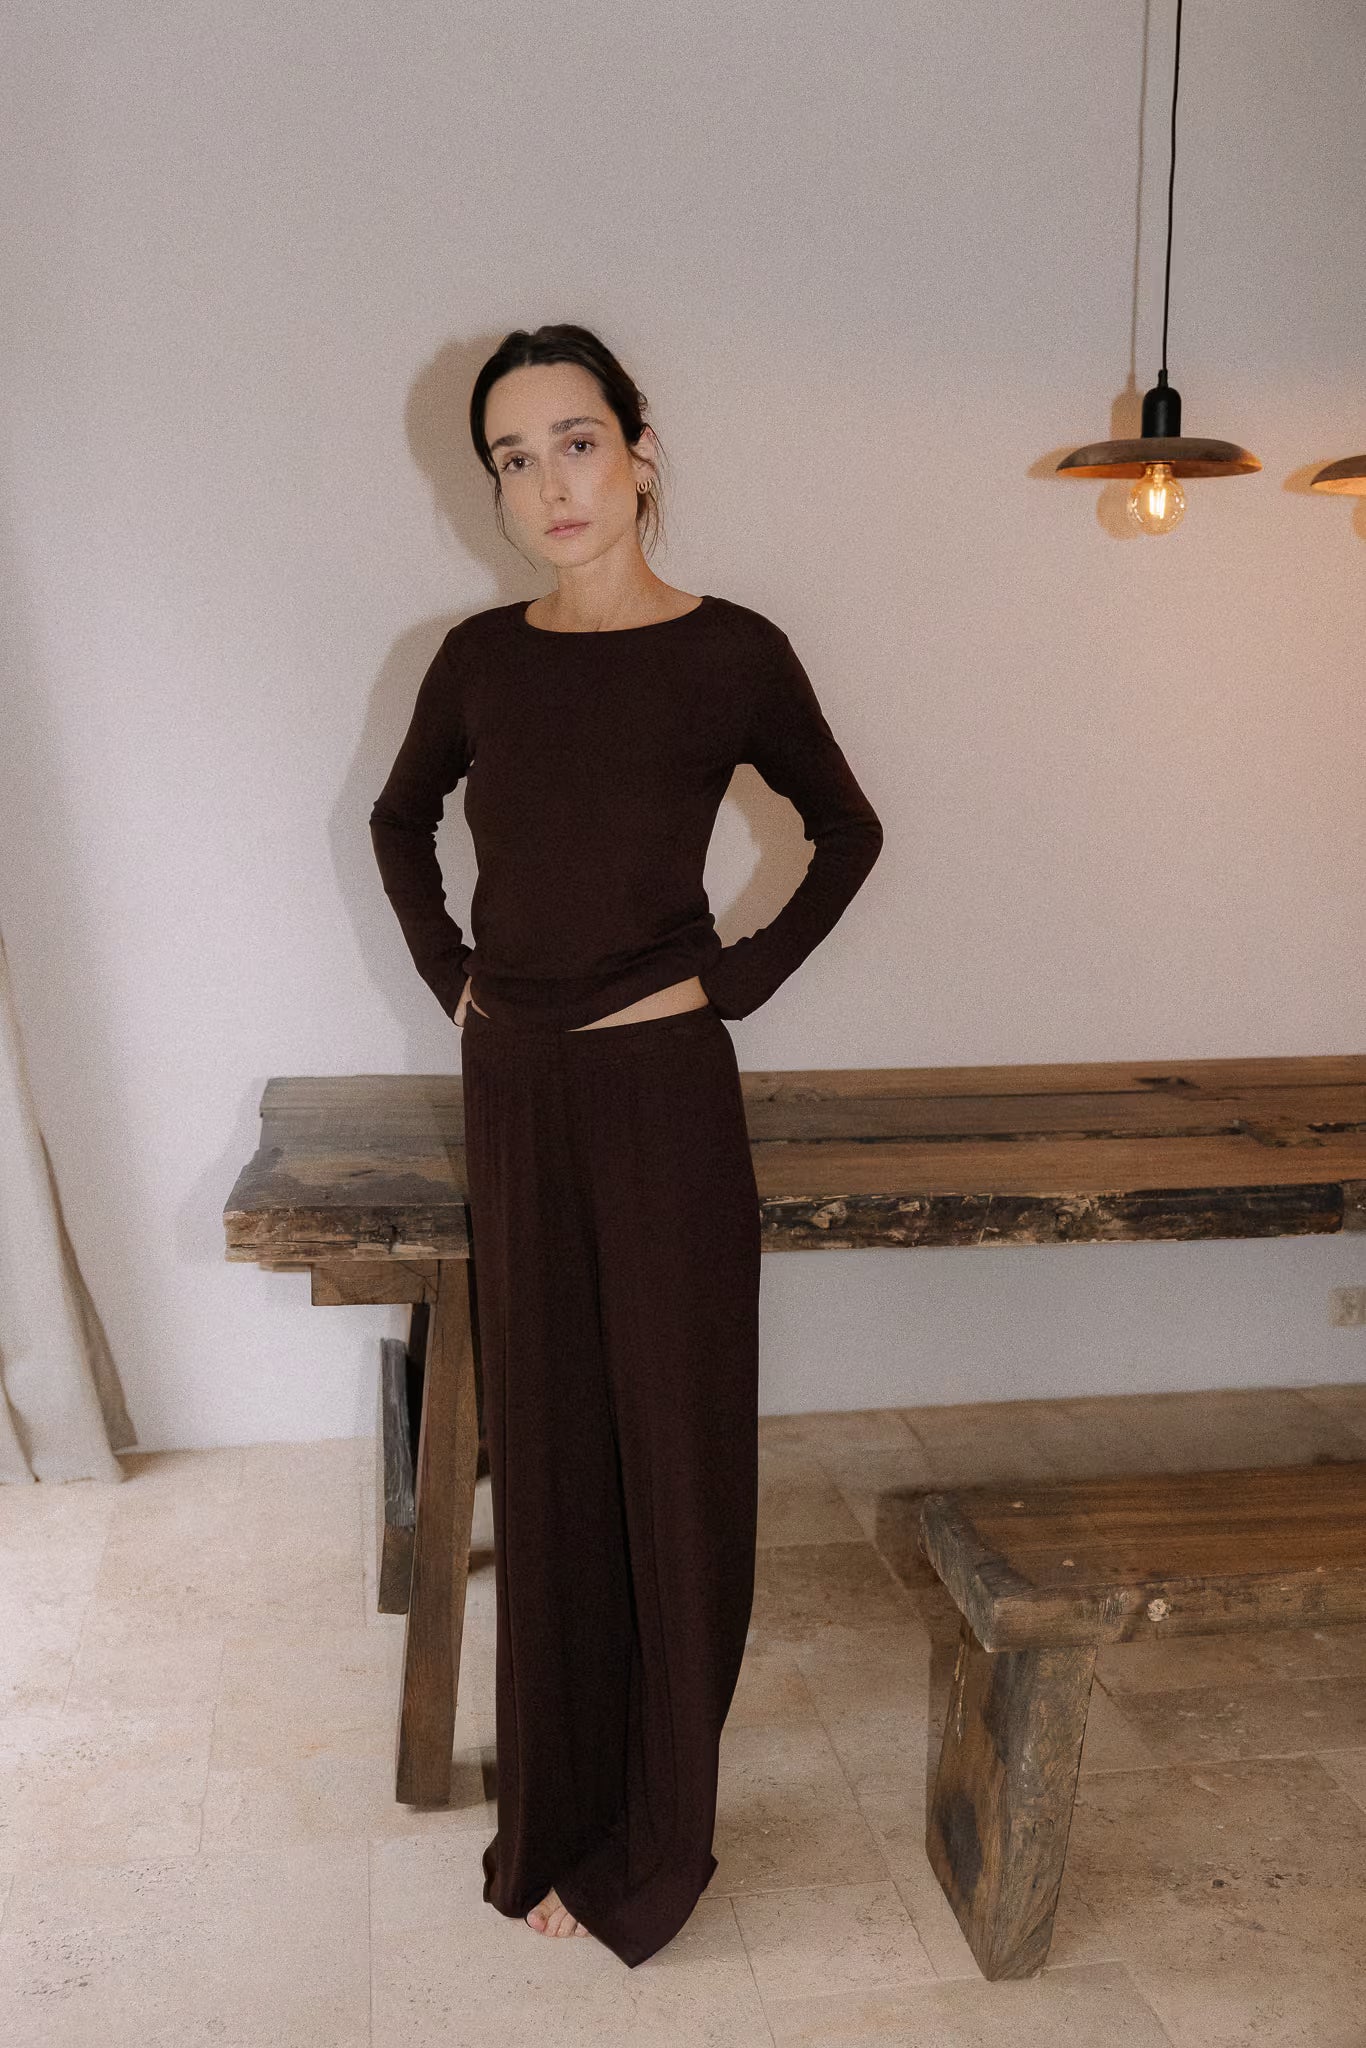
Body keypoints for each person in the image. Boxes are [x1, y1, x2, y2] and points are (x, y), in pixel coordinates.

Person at [368, 322, 883, 1968]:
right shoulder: (477, 659)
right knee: (550, 1460)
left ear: (640, 451)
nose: (549, 485)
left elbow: (847, 828)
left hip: (662, 1097)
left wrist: (724, 985)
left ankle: (660, 1833)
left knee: (676, 1462)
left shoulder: (732, 652)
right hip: (515, 1089)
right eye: (513, 459)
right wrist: (454, 979)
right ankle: (557, 1817)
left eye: (575, 442)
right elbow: (397, 820)